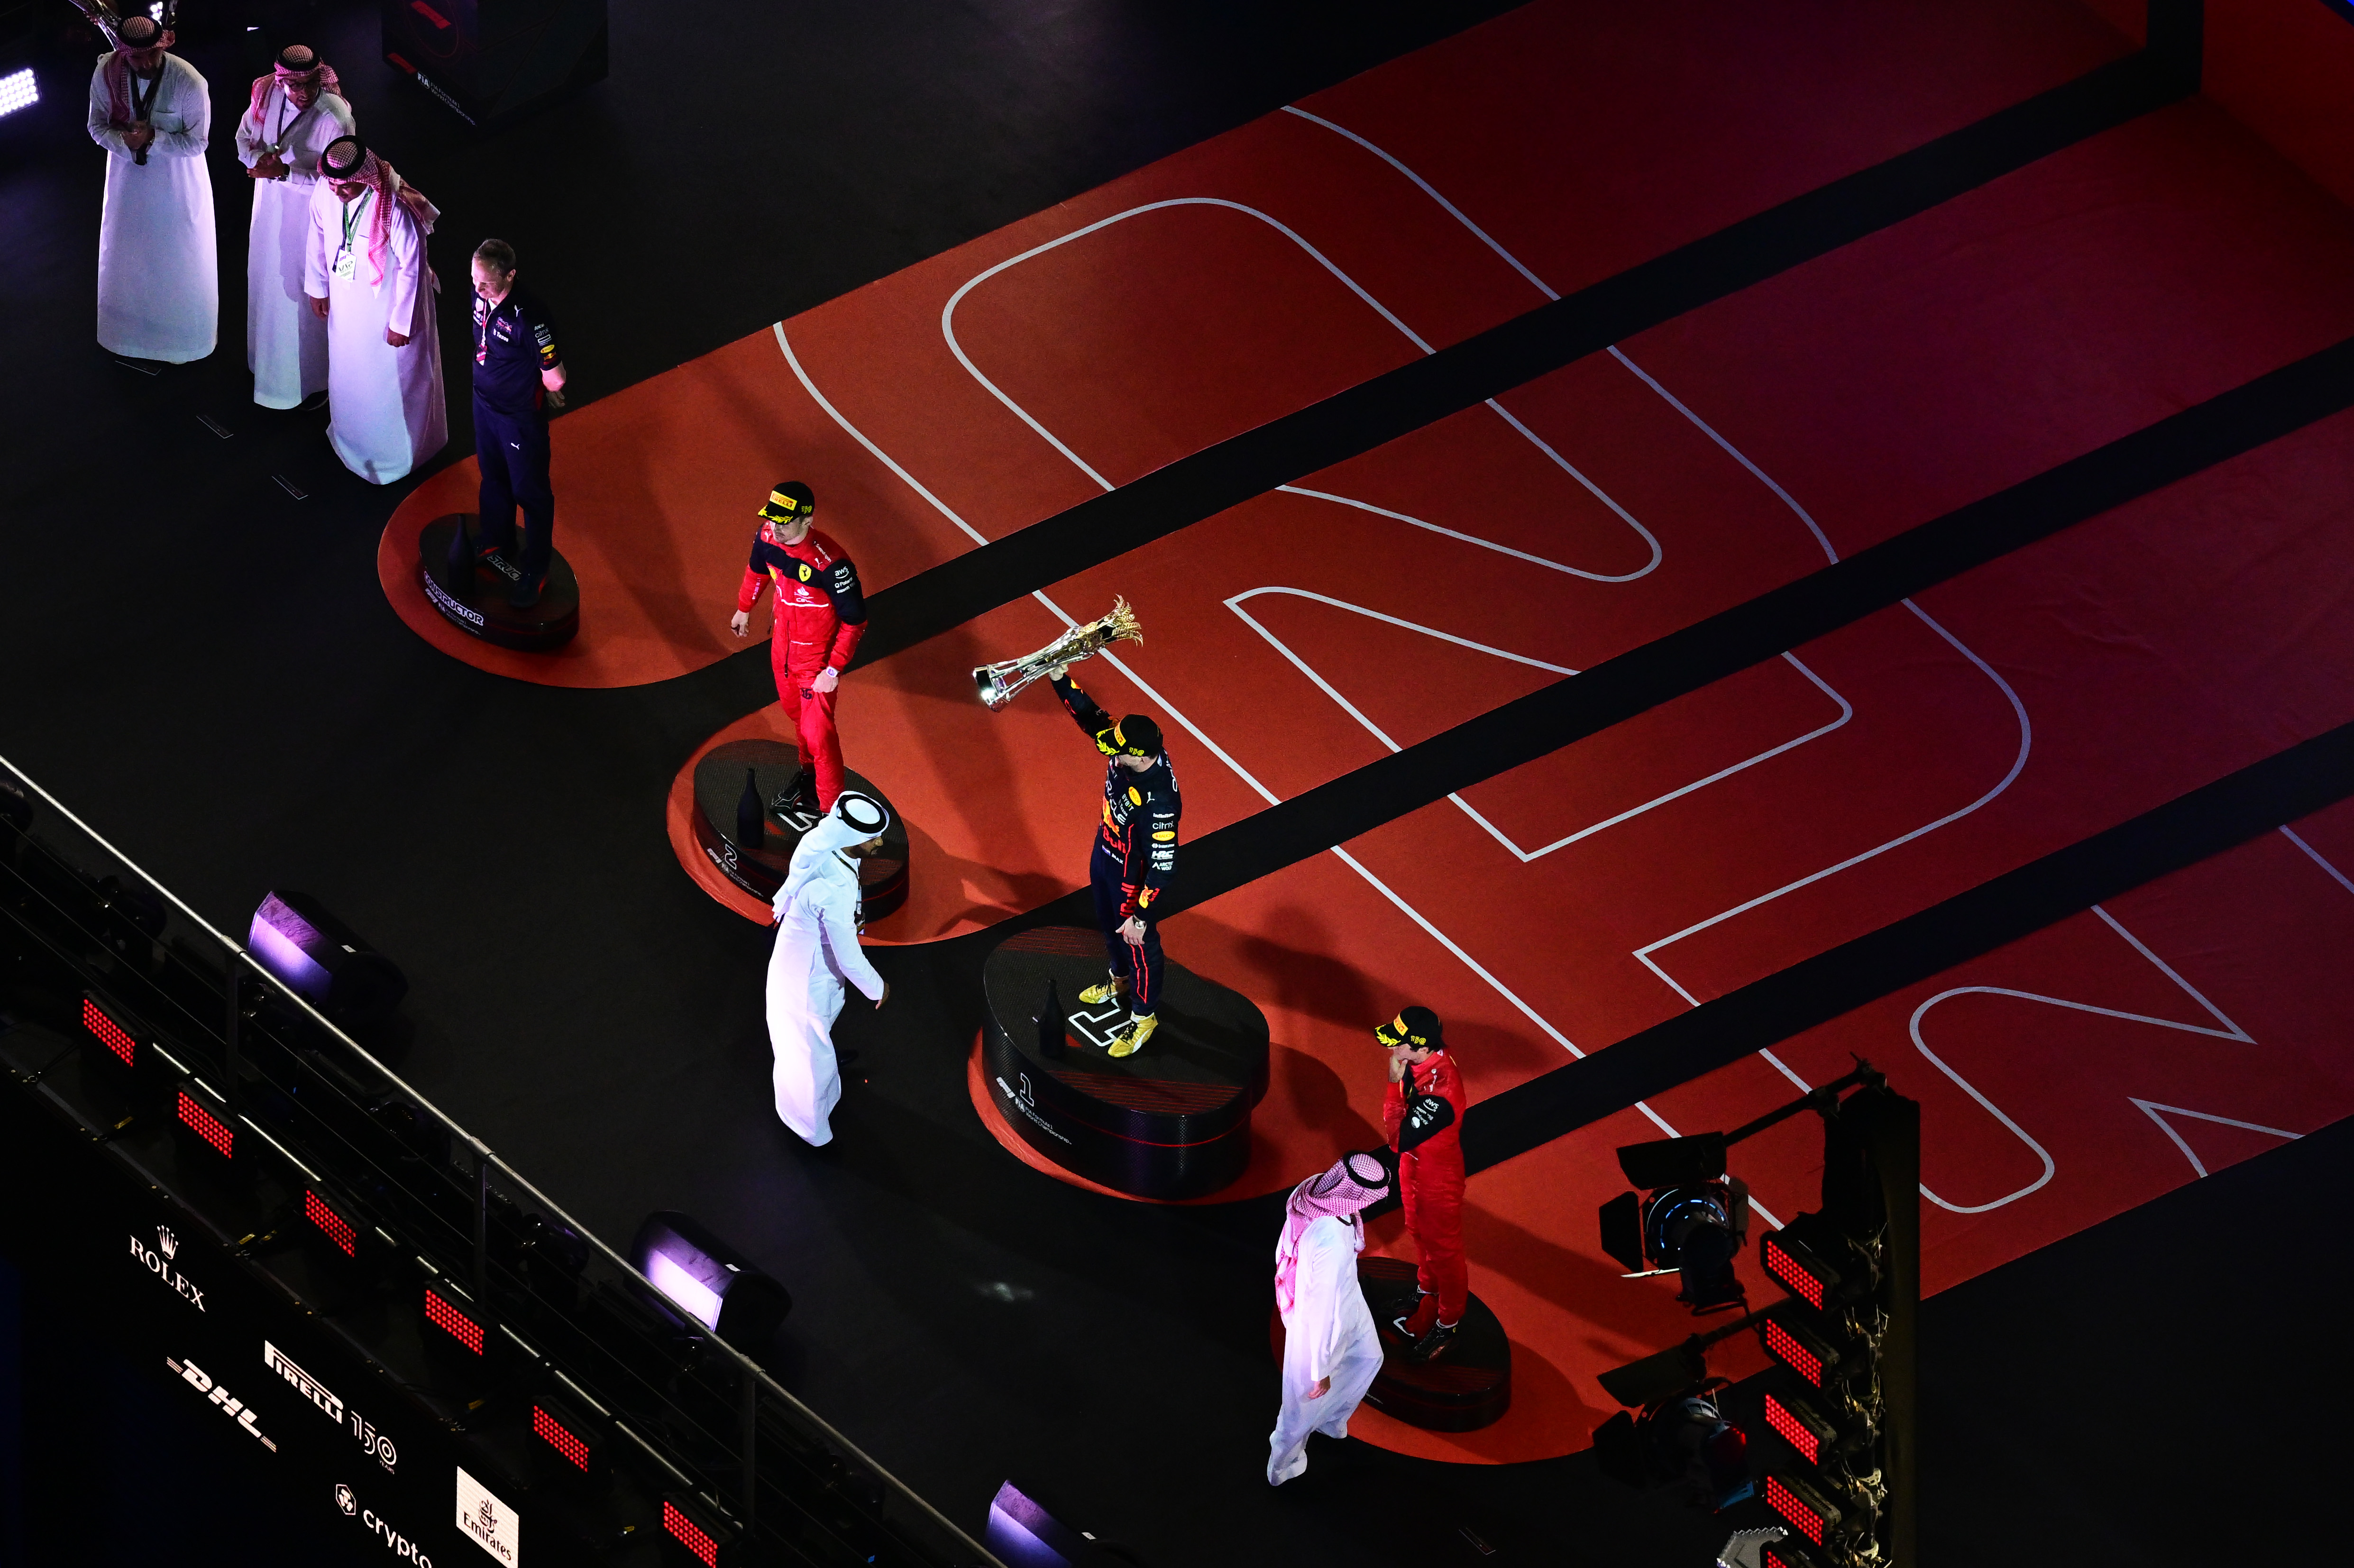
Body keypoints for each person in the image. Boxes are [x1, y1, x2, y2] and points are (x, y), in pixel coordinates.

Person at [1046, 666, 1179, 1058]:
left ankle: (1143, 1017)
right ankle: (1119, 981)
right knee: (1106, 928)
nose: (1110, 753)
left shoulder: (1160, 805)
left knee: (1138, 944)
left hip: (1130, 877)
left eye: (1117, 751)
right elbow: (1092, 718)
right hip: (1104, 854)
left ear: (1139, 756)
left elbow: (1164, 866)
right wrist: (1059, 678)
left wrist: (1140, 915)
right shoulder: (1128, 745)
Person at [304, 137, 447, 484]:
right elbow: (317, 234)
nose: (337, 192)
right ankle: (351, 438)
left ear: (365, 178)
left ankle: (401, 454)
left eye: (345, 185)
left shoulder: (394, 207)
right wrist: (318, 286)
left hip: (388, 309)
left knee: (394, 379)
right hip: (346, 302)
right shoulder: (327, 189)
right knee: (349, 369)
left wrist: (401, 323)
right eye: (333, 183)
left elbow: (413, 268)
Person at [86, 13, 217, 364]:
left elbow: (198, 143)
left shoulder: (189, 81)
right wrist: (127, 143)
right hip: (127, 181)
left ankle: (184, 342)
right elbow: (97, 127)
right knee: (130, 258)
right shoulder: (108, 74)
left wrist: (154, 139)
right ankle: (130, 338)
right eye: (137, 58)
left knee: (178, 262)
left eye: (151, 56)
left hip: (177, 186)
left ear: (163, 46)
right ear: (124, 53)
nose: (145, 64)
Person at [728, 484, 867, 811]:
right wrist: (743, 608)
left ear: (807, 520)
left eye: (785, 522)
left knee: (820, 738)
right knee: (797, 721)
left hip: (814, 666)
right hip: (782, 653)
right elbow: (757, 571)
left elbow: (855, 621)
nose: (776, 527)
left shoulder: (833, 565)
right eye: (772, 519)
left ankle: (831, 813)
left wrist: (833, 670)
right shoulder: (766, 537)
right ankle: (808, 777)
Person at [765, 792, 892, 1146]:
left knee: (814, 1045)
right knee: (809, 1058)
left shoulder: (824, 848)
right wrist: (877, 987)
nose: (880, 843)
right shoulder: (834, 887)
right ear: (851, 839)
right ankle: (811, 1128)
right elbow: (849, 954)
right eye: (872, 838)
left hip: (808, 969)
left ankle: (827, 1082)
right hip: (807, 982)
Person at [235, 45, 354, 409]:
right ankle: (266, 367)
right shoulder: (267, 92)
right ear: (282, 81)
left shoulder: (336, 117)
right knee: (266, 284)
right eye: (295, 86)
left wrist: (285, 172)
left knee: (303, 295)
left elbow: (342, 184)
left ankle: (313, 382)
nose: (302, 93)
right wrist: (258, 160)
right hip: (268, 207)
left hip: (309, 217)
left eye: (309, 84)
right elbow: (243, 137)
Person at [1268, 1150, 1393, 1486]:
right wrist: (1319, 1371)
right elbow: (1321, 1311)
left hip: (1349, 1297)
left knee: (1369, 1357)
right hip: (1317, 1323)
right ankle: (1283, 1464)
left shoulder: (1315, 1191)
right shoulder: (1331, 1243)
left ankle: (1331, 1420)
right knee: (1301, 1404)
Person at [468, 239, 568, 608]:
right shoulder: (481, 291)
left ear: (510, 275)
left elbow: (555, 377)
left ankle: (536, 569)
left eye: (486, 284)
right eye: (474, 281)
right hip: (484, 405)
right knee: (492, 475)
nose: (478, 290)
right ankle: (498, 536)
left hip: (518, 419)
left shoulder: (530, 317)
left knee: (531, 493)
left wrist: (550, 386)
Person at [1379, 1006, 1469, 1359]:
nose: (1393, 1051)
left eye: (1400, 1046)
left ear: (1421, 1048)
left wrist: (1392, 1084)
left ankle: (1448, 1325)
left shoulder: (1442, 1092)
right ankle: (1426, 1290)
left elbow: (1397, 1139)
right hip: (1414, 1167)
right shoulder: (1420, 1060)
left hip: (1437, 1178)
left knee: (1445, 1253)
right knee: (1416, 1231)